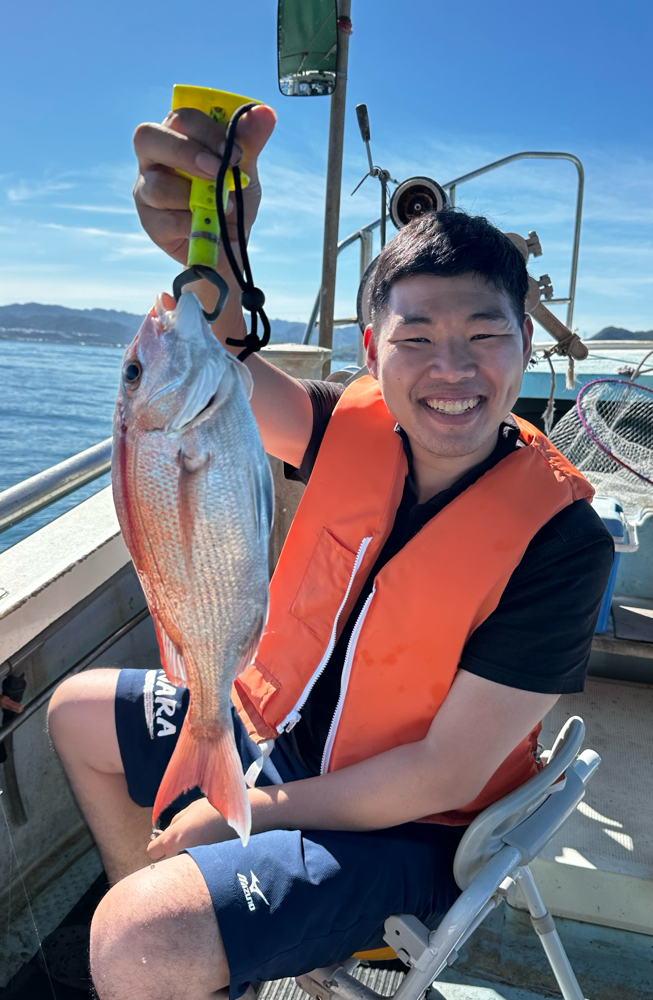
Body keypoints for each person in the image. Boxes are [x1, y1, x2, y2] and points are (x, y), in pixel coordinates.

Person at [48, 105, 613, 1000]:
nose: (452, 370)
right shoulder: (343, 424)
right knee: (75, 714)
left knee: (138, 940)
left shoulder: (563, 542)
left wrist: (241, 814)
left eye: (483, 335)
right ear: (372, 351)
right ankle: (190, 947)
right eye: (416, 339)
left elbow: (444, 773)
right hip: (279, 732)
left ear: (525, 343)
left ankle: (162, 945)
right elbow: (211, 367)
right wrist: (212, 254)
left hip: (409, 827)